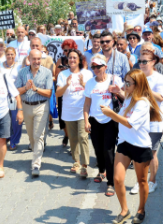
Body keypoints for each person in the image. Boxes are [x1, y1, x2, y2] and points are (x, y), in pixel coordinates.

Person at [101, 69, 161, 224]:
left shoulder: (143, 103)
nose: (125, 85)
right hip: (124, 143)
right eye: (124, 81)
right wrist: (118, 91)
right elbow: (124, 110)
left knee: (142, 181)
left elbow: (128, 123)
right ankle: (124, 211)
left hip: (140, 146)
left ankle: (141, 210)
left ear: (137, 84)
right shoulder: (128, 97)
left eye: (128, 83)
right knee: (117, 179)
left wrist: (110, 113)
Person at [84, 54, 124, 196]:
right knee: (98, 149)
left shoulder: (115, 80)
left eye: (98, 66)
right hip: (95, 120)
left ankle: (111, 183)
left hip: (110, 120)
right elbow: (87, 103)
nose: (96, 69)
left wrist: (117, 91)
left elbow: (126, 99)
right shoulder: (90, 83)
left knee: (108, 151)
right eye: (93, 67)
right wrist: (86, 120)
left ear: (105, 67)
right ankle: (101, 171)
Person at [130, 46, 163, 195]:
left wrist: (145, 87)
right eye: (140, 61)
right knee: (139, 152)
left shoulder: (159, 78)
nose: (142, 64)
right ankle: (140, 181)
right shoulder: (136, 75)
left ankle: (152, 181)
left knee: (151, 153)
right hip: (139, 120)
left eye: (145, 61)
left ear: (154, 61)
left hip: (155, 121)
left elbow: (161, 97)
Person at [15, 50, 53, 177]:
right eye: (34, 59)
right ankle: (34, 147)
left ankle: (36, 164)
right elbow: (16, 92)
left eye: (39, 59)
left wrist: (36, 89)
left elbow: (49, 93)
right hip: (26, 106)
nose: (36, 61)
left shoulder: (47, 72)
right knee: (31, 137)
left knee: (39, 136)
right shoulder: (22, 72)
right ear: (29, 59)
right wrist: (26, 88)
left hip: (41, 106)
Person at [56, 49, 93, 177]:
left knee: (83, 137)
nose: (72, 60)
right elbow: (58, 93)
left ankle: (84, 165)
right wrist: (66, 85)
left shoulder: (87, 74)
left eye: (74, 57)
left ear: (79, 60)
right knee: (73, 138)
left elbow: (92, 93)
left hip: (83, 112)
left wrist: (83, 84)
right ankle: (76, 161)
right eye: (70, 58)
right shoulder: (63, 74)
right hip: (68, 112)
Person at [55, 39, 79, 147]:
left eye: (70, 50)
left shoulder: (79, 60)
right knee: (63, 118)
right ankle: (67, 135)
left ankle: (74, 142)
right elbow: (56, 77)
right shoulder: (60, 60)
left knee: (77, 118)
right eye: (65, 50)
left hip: (76, 93)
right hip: (63, 91)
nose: (67, 52)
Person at [0, 48, 22, 150]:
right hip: (2, 96)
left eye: (12, 54)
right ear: (5, 55)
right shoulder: (0, 66)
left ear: (15, 54)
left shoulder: (19, 66)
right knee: (5, 119)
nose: (10, 56)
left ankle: (14, 140)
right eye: (8, 54)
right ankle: (7, 136)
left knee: (15, 119)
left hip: (15, 95)